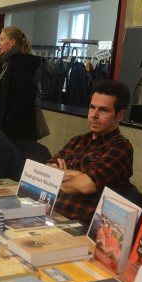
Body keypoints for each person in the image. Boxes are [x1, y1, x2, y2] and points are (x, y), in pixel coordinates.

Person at [47, 80, 133, 222]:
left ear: (119, 115)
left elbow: (85, 186)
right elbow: (46, 171)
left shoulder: (121, 148)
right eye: (92, 107)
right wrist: (77, 175)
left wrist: (57, 180)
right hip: (48, 212)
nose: (94, 115)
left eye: (103, 110)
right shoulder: (78, 141)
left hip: (78, 224)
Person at [0, 26, 40, 143]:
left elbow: (29, 93)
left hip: (16, 129)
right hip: (7, 126)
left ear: (12, 42)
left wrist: (10, 115)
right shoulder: (6, 63)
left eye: (2, 39)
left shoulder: (20, 63)